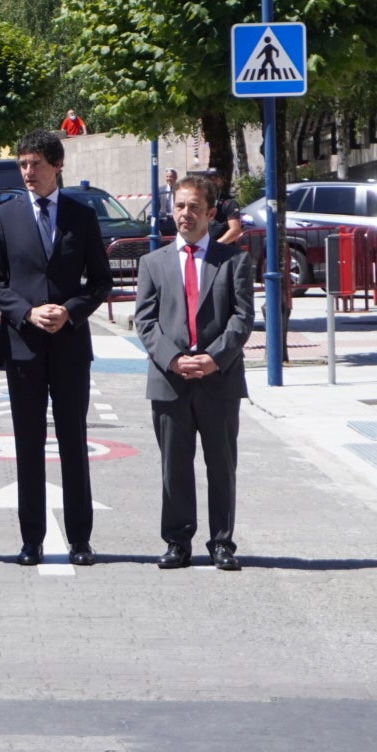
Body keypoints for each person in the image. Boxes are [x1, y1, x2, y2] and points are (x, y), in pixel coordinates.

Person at [0, 129, 111, 567]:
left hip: (70, 345)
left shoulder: (81, 215)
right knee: (28, 442)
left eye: (36, 164)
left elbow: (100, 281)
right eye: (22, 165)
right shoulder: (6, 216)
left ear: (57, 166)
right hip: (24, 346)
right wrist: (25, 313)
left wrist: (71, 311)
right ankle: (31, 539)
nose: (28, 172)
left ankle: (80, 539)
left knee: (73, 441)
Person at [134, 176, 253, 571]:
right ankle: (177, 542)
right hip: (170, 381)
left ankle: (222, 543)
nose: (186, 214)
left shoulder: (233, 261)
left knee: (221, 466)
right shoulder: (153, 263)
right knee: (174, 467)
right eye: (180, 206)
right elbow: (145, 321)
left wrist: (214, 358)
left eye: (194, 207)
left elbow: (242, 318)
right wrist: (172, 359)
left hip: (218, 380)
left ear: (211, 213)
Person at [208, 173, 245, 246]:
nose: (212, 182)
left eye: (215, 179)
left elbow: (235, 230)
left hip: (222, 249)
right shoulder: (200, 202)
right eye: (208, 179)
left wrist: (215, 245)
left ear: (222, 181)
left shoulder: (229, 203)